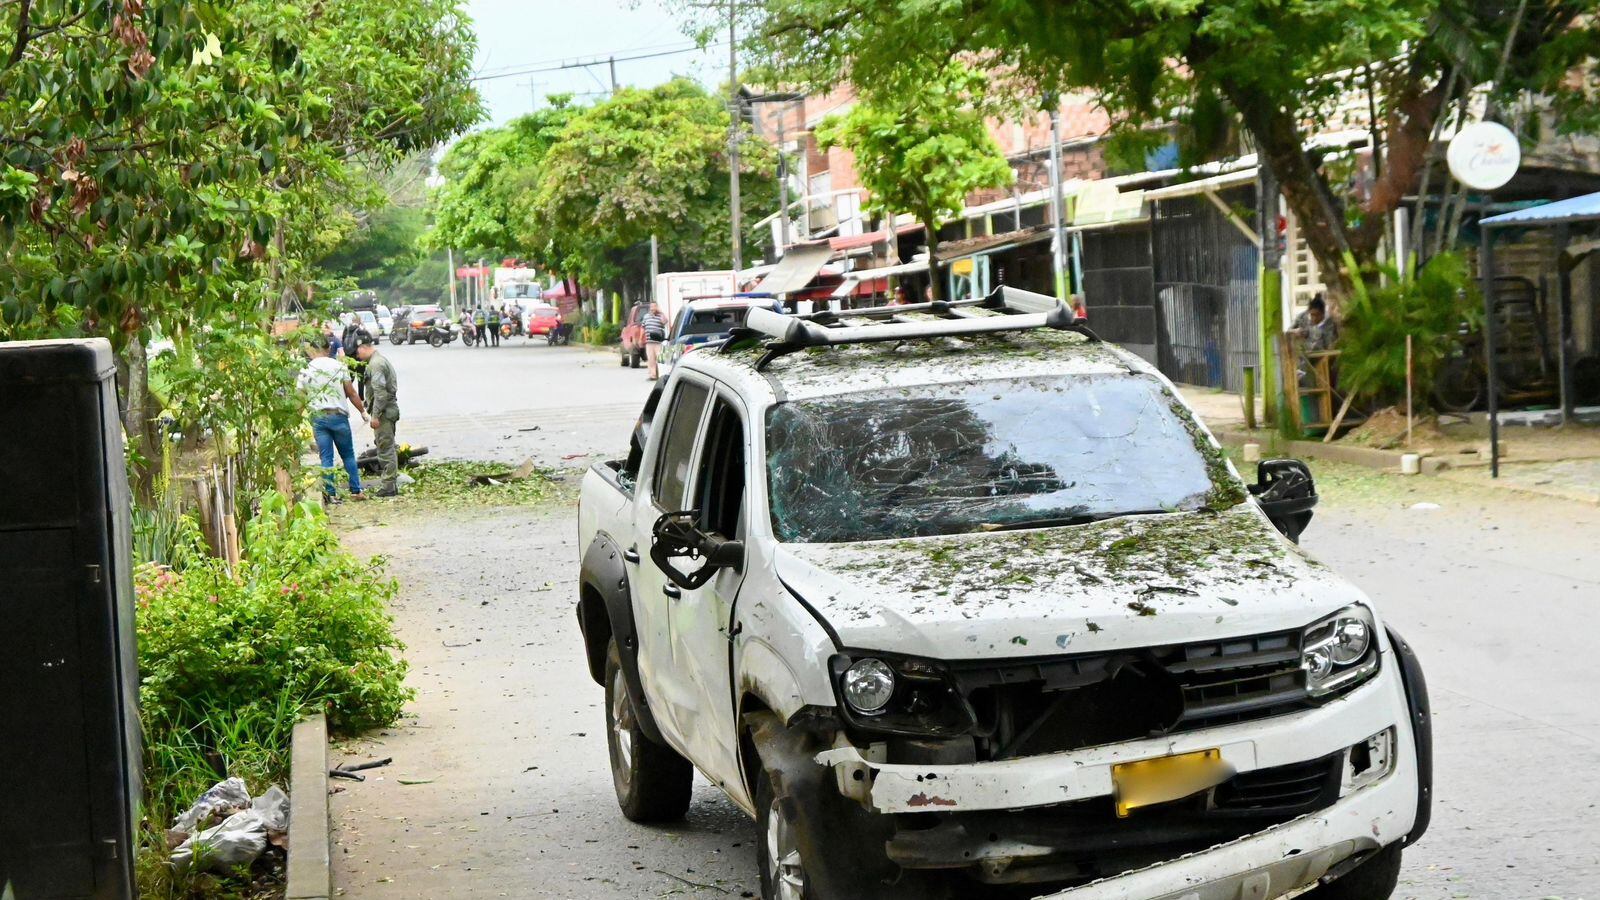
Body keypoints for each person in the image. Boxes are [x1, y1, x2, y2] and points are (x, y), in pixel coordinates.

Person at [299, 336, 368, 503]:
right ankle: (356, 490)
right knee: (348, 455)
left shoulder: (306, 369)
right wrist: (363, 411)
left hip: (318, 418)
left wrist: (296, 418)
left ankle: (330, 494)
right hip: (339, 417)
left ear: (312, 350)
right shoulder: (338, 366)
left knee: (326, 457)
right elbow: (351, 392)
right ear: (328, 349)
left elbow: (300, 397)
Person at [352, 331, 402, 497]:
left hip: (384, 413)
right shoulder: (377, 362)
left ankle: (388, 487)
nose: (357, 355)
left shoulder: (376, 365)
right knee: (386, 447)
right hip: (387, 410)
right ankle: (390, 485)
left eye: (357, 351)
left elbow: (380, 393)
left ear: (364, 347)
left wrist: (375, 416)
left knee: (385, 448)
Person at [641, 302, 667, 381]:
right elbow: (643, 328)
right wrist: (641, 338)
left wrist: (661, 312)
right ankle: (653, 375)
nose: (653, 308)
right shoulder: (646, 317)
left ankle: (661, 375)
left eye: (655, 306)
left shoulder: (660, 316)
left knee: (660, 359)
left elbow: (665, 322)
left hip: (658, 342)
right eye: (652, 306)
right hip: (649, 342)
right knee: (651, 359)